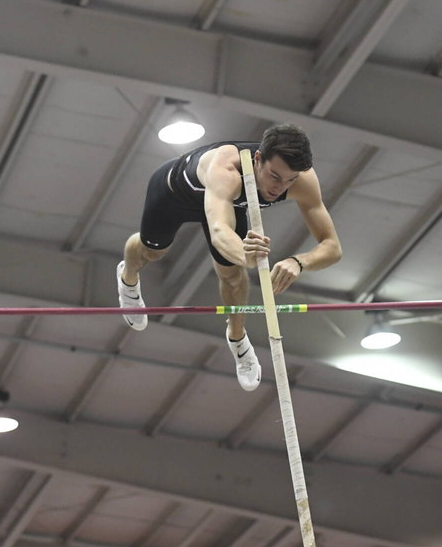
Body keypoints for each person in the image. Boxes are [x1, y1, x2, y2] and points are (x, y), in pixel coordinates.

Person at [117, 124, 342, 391]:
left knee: (233, 276)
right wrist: (247, 256)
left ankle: (237, 338)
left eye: (289, 180)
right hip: (175, 196)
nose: (280, 188)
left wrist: (299, 262)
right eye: (274, 176)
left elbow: (332, 247)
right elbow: (218, 231)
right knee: (152, 252)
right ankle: (127, 278)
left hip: (230, 204)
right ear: (257, 159)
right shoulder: (226, 169)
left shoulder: (302, 179)